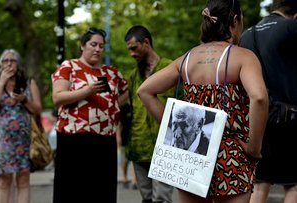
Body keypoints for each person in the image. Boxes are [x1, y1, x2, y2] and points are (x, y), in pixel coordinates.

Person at [137, 0, 269, 202]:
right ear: (235, 21)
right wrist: (253, 147)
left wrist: (174, 128)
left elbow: (145, 90)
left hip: (191, 155)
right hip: (231, 154)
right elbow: (259, 97)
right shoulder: (243, 57)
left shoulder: (187, 58)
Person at [51, 27, 128, 203]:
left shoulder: (111, 72)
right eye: (93, 44)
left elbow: (127, 91)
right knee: (74, 191)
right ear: (82, 46)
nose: (98, 49)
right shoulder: (69, 66)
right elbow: (58, 97)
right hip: (74, 139)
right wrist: (88, 91)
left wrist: (115, 104)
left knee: (102, 190)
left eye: (101, 46)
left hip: (105, 139)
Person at [239, 0, 297, 202]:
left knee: (260, 182)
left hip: (256, 114)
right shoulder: (290, 27)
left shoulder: (247, 34)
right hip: (289, 116)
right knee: (293, 184)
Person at [124, 25, 175, 202]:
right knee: (146, 199)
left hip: (165, 147)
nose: (131, 53)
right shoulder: (133, 76)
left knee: (162, 199)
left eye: (134, 48)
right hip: (139, 147)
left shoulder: (170, 68)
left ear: (146, 42)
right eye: (129, 50)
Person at [0, 49, 42, 203]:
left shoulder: (29, 83)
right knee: (3, 182)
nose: (9, 64)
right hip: (3, 142)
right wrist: (2, 81)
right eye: (5, 61)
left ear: (18, 64)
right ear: (0, 64)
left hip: (24, 140)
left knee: (23, 181)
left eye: (13, 60)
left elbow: (37, 109)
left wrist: (24, 99)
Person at [116, 101, 137, 189]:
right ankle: (125, 178)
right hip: (124, 137)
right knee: (124, 160)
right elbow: (118, 124)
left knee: (134, 160)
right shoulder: (123, 108)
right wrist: (118, 136)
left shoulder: (136, 106)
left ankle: (134, 181)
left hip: (135, 137)